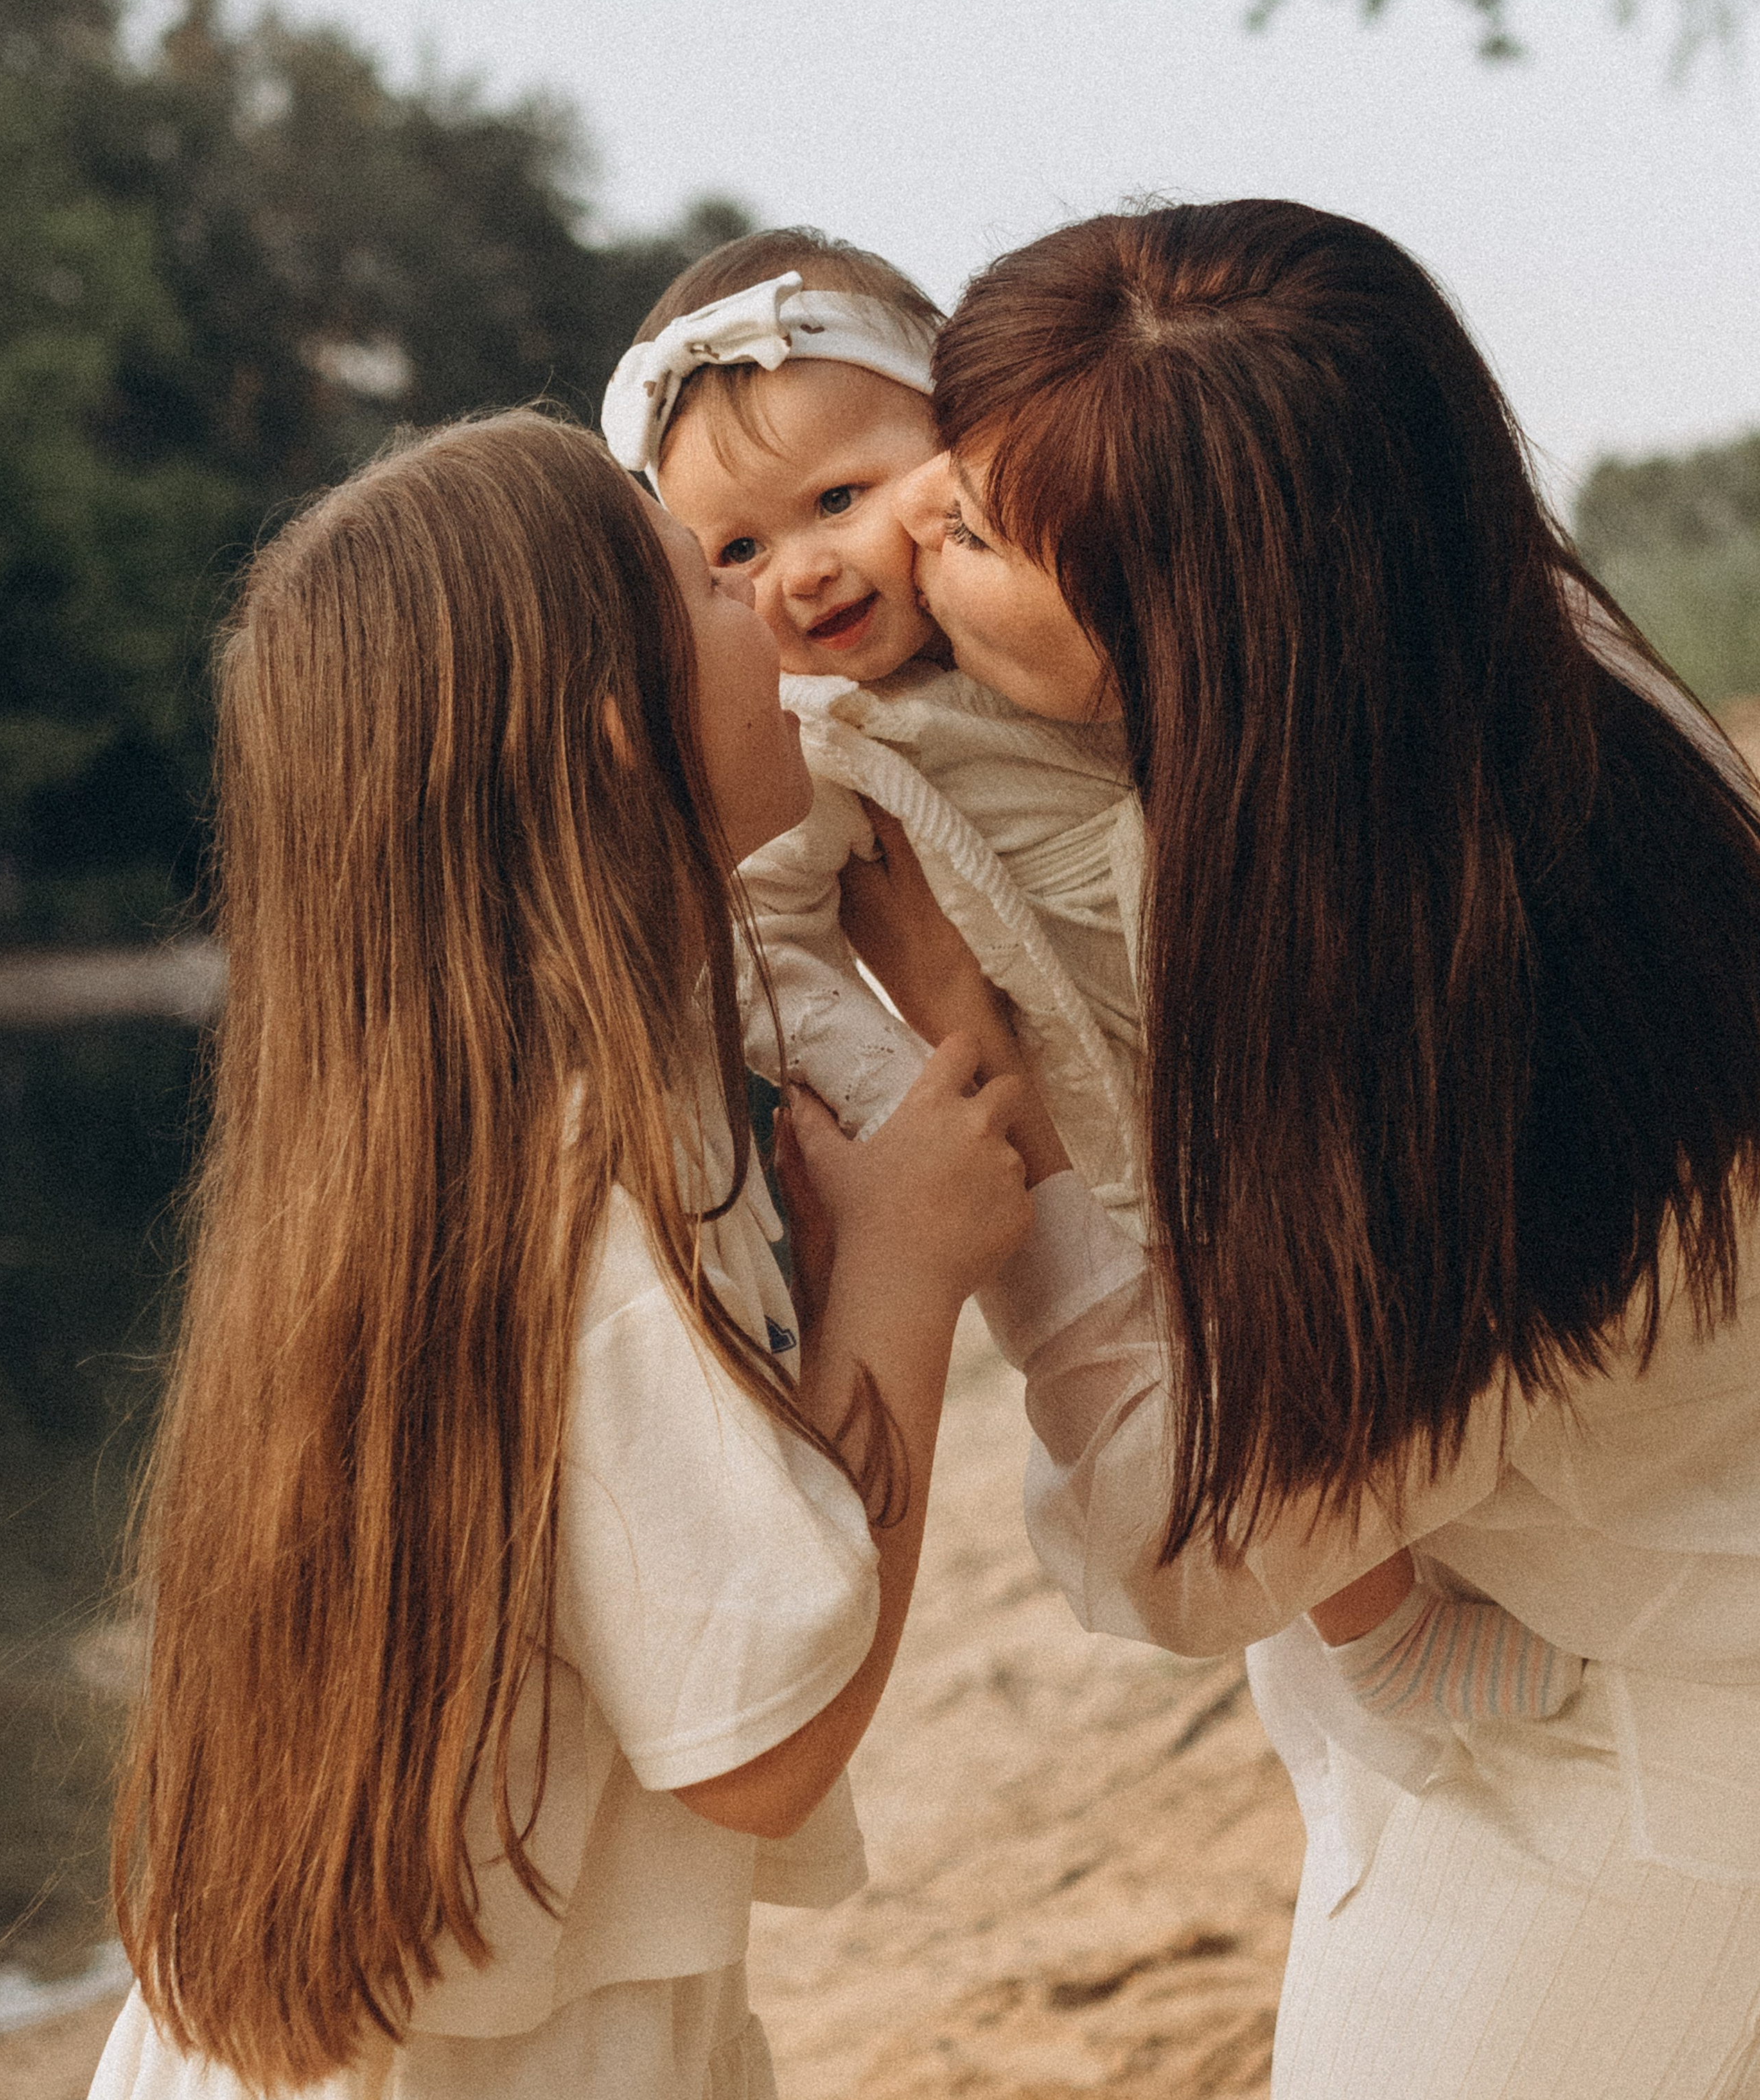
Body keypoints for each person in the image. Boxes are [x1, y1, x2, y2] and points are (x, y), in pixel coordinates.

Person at [840, 201, 1760, 2098]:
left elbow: (1195, 1543)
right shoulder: (1490, 678)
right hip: (1507, 1639)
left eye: (982, 527)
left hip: (1652, 1723)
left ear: (1194, 638)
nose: (913, 511)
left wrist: (969, 1060)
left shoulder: (1445, 1044)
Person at [89, 408, 1033, 2100]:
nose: (768, 602)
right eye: (710, 578)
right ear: (617, 730)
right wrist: (905, 1273)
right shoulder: (595, 1182)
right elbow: (761, 1745)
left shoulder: (475, 1119)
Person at [602, 229, 1145, 1234]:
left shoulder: (1071, 577)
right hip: (1099, 1147)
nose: (804, 572)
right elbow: (764, 949)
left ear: (951, 442)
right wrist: (907, 1086)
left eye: (838, 499)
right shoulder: (822, 744)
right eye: (740, 550)